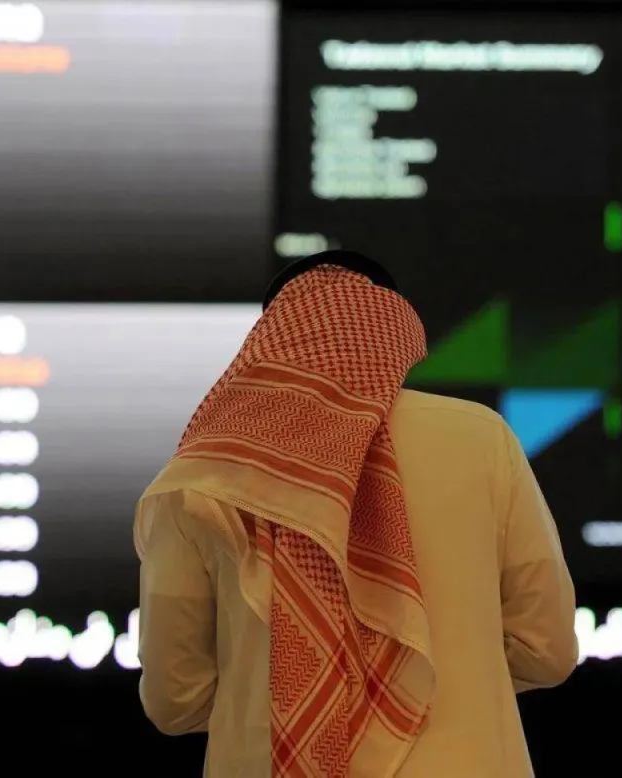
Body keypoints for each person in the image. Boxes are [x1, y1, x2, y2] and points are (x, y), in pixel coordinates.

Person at [134, 251, 578, 778]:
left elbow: (175, 699)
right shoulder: (482, 438)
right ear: (393, 335)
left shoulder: (203, 472)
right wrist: (448, 684)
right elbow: (548, 650)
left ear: (270, 340)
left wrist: (283, 702)